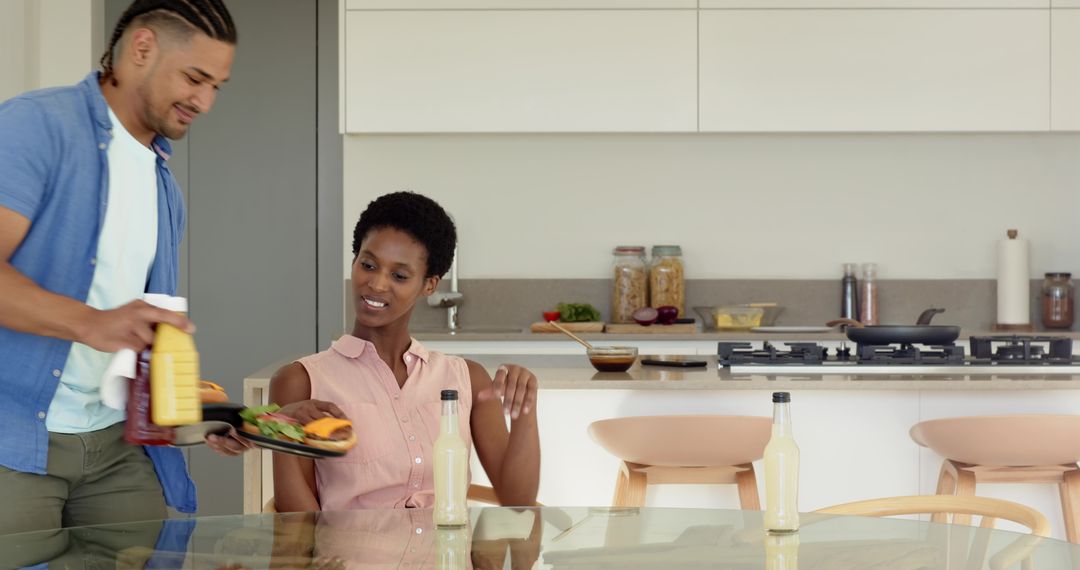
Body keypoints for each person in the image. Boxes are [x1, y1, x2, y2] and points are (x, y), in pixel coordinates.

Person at [0, 0, 340, 533]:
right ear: (142, 48)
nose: (205, 101)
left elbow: (137, 351)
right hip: (15, 442)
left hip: (118, 446)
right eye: (195, 78)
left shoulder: (164, 190)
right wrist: (91, 322)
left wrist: (229, 418)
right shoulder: (37, 127)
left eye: (216, 87)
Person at [270, 192, 541, 512]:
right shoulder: (300, 380)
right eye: (368, 265)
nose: (377, 284)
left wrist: (524, 409)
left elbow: (518, 500)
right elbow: (296, 523)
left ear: (429, 285)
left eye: (399, 276)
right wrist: (282, 432)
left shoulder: (468, 379)